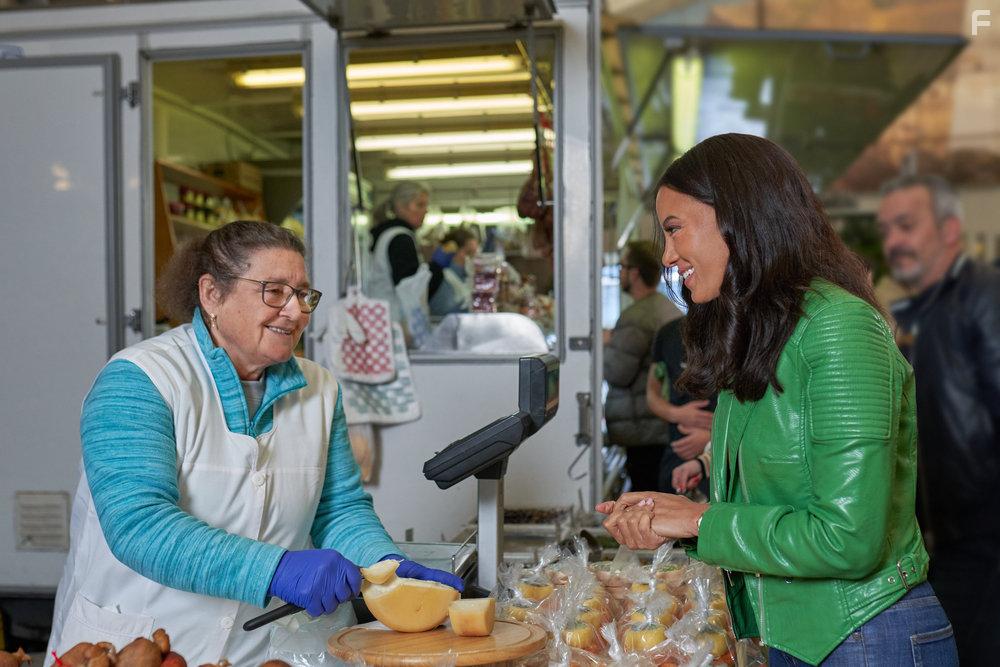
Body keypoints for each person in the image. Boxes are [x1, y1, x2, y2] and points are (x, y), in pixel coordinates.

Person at [597, 134, 957, 666]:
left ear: (738, 217)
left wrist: (698, 521)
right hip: (806, 638)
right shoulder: (770, 334)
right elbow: (775, 501)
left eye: (674, 230)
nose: (669, 256)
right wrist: (679, 518)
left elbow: (847, 538)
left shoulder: (839, 327)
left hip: (865, 639)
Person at [46, 221, 462, 666]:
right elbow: (139, 525)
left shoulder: (320, 389)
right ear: (212, 295)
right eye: (274, 291)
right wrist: (277, 570)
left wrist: (387, 566)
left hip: (257, 653)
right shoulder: (140, 379)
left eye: (303, 294)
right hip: (139, 646)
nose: (295, 311)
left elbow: (337, 508)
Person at [877, 174, 1000, 666]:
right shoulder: (918, 312)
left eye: (906, 225)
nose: (893, 242)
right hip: (942, 538)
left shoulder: (984, 297)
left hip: (986, 540)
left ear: (951, 230)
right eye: (886, 230)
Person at [603, 240, 682, 492]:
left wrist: (608, 344)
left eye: (622, 266)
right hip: (662, 426)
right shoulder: (667, 308)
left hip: (642, 429)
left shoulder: (635, 317)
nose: (620, 273)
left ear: (635, 272)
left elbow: (617, 373)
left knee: (645, 499)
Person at [646, 316, 715, 495]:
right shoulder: (668, 333)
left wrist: (712, 438)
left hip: (724, 457)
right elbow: (652, 393)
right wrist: (677, 414)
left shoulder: (738, 327)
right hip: (677, 455)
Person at [367, 181, 443, 322]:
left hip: (382, 318)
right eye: (420, 205)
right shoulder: (400, 239)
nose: (425, 210)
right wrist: (436, 267)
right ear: (400, 206)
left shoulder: (386, 234)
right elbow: (411, 290)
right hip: (396, 322)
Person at [428, 227, 478, 317]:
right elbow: (442, 314)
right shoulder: (443, 279)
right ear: (452, 251)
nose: (473, 259)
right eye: (469, 253)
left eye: (474, 254)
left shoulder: (465, 277)